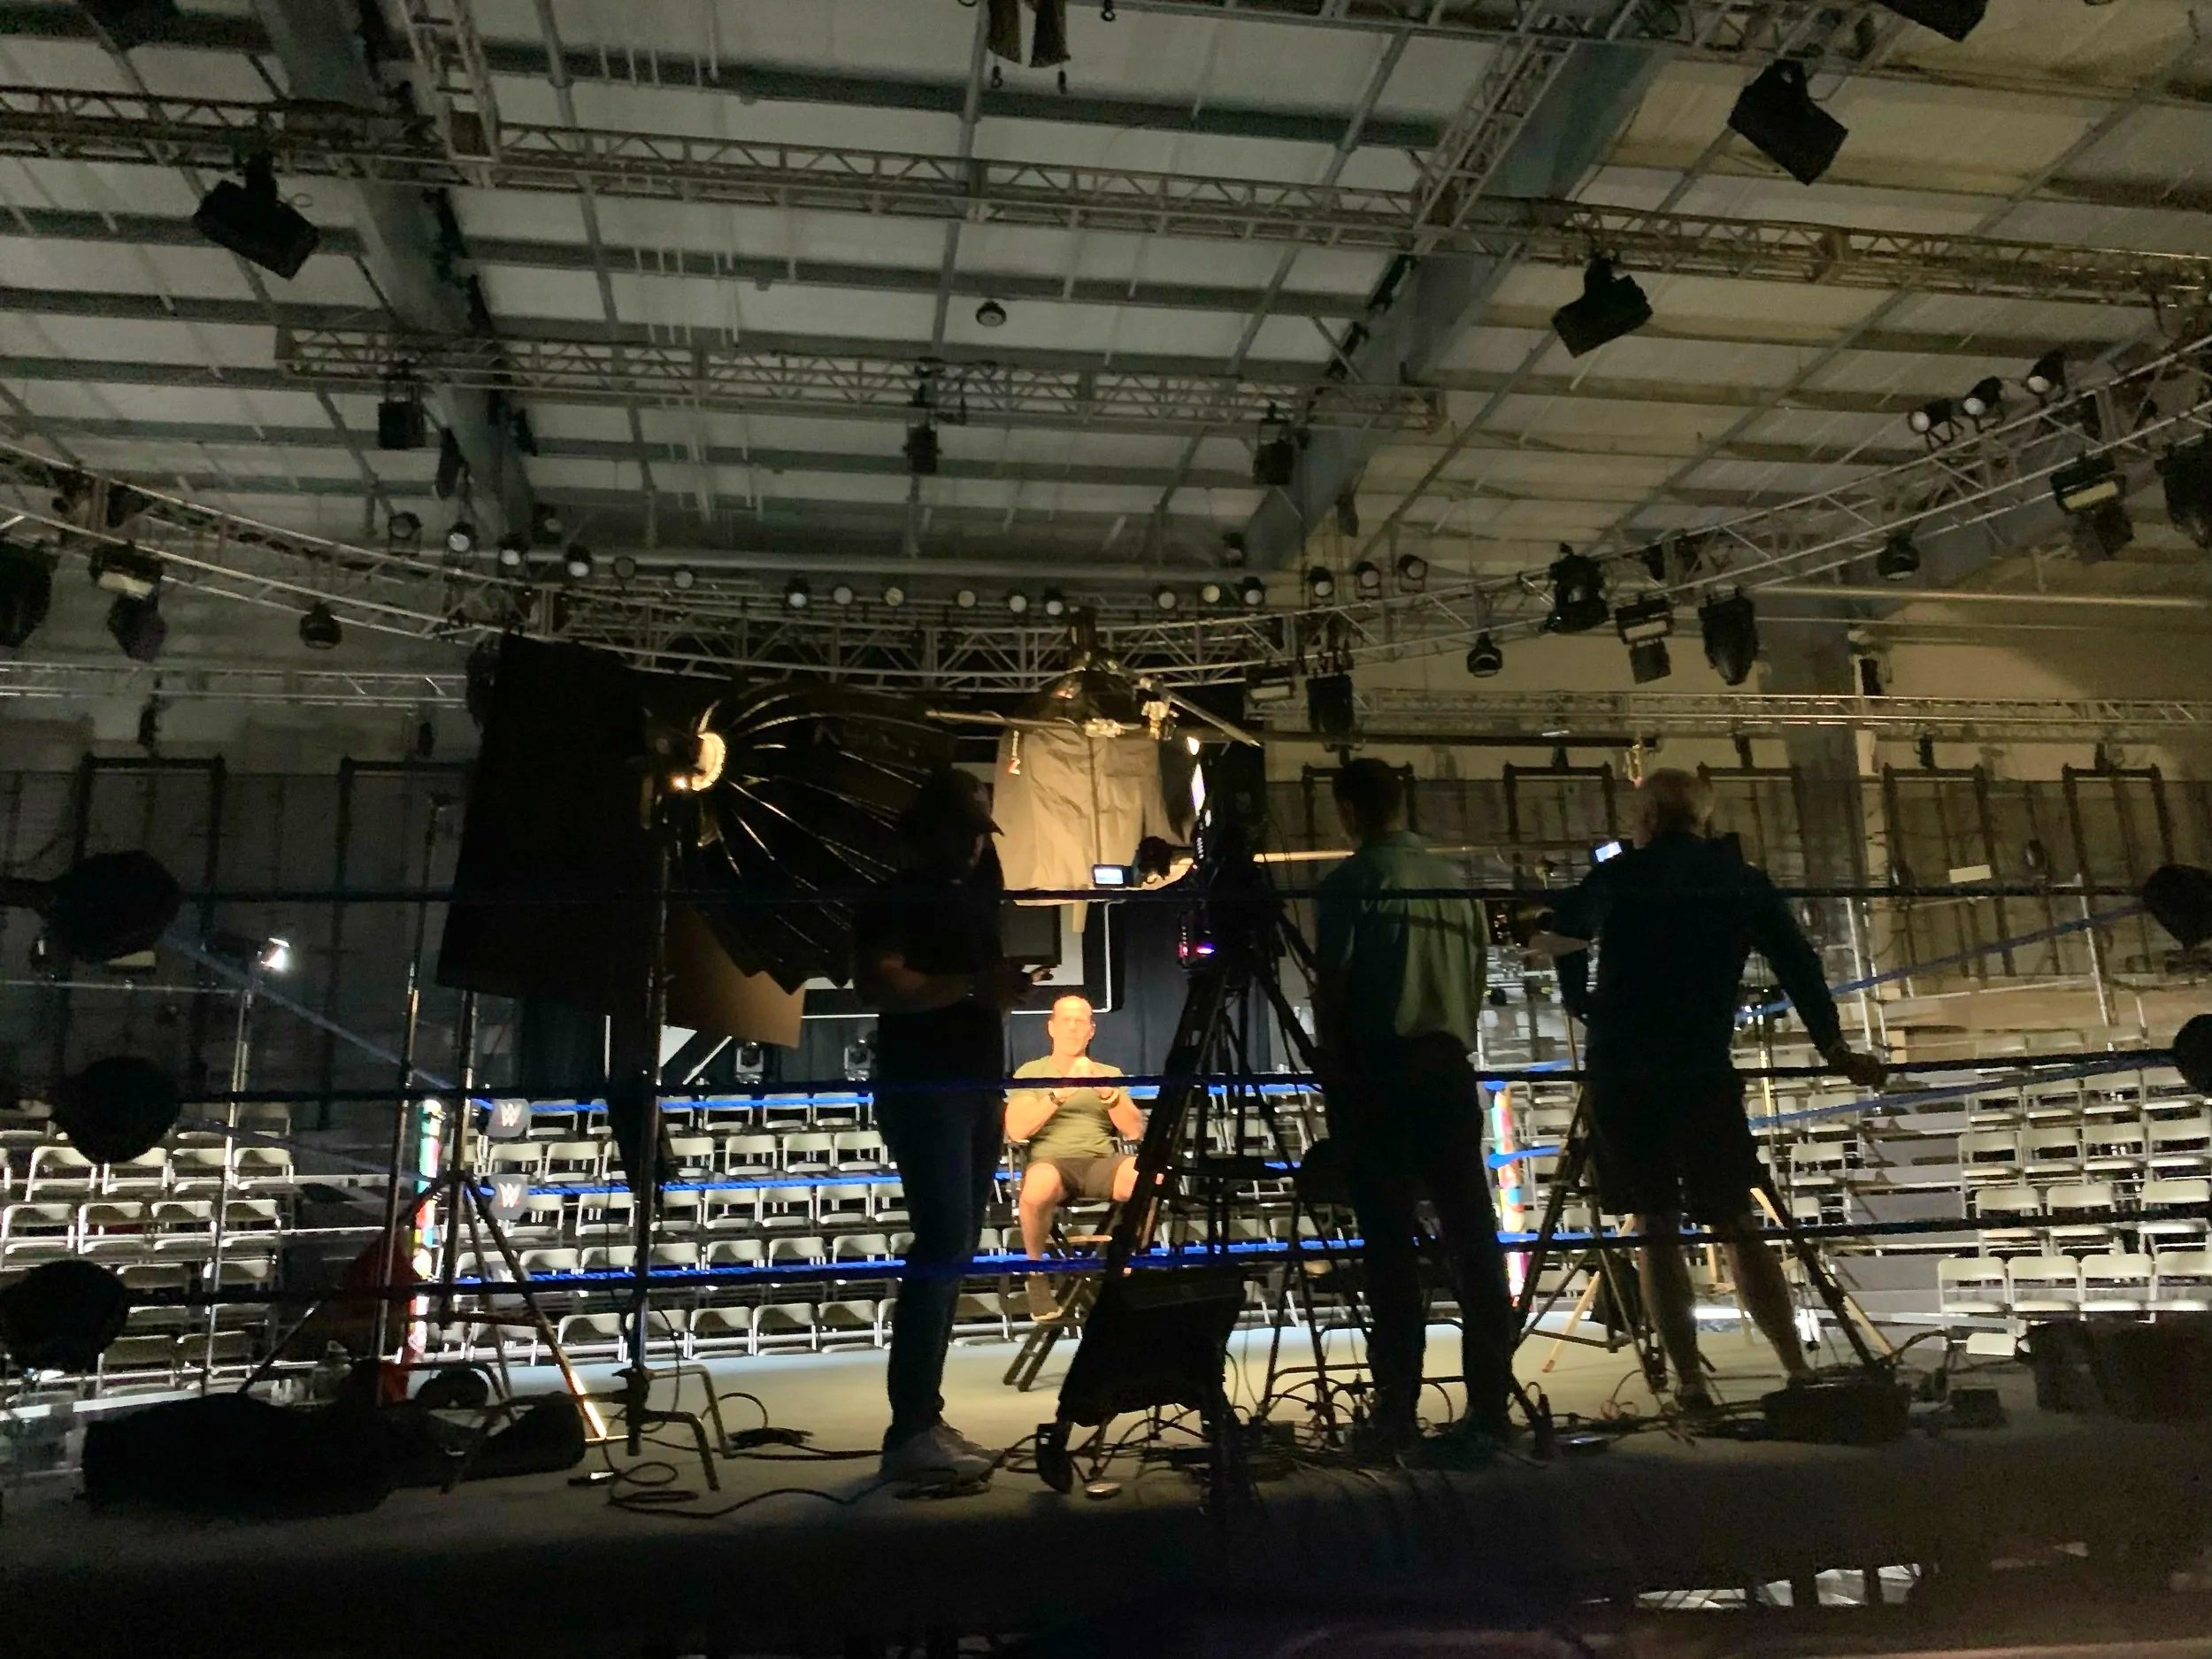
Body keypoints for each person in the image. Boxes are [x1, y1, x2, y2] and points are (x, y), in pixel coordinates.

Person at [1549, 768, 1888, 1412]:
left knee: (1653, 1222)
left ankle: (1690, 1382)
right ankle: (1794, 1367)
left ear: (1645, 819)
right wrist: (1833, 1045)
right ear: (1704, 819)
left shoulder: (1620, 875)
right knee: (1735, 1216)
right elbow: (1799, 963)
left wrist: (1581, 1001)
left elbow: (1565, 931)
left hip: (1624, 1066)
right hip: (1701, 1064)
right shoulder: (1740, 880)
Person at [1312, 758, 1516, 1456]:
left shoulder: (1351, 883)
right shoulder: (1458, 887)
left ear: (1348, 809)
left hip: (1379, 1073)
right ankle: (1490, 1404)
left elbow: (1332, 990)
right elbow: (1477, 981)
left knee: (1390, 1250)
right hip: (1448, 1070)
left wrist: (1333, 1076)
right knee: (1472, 1240)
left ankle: (1396, 1409)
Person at [853, 768, 1035, 1482]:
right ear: (928, 832)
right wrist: (973, 988)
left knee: (951, 1244)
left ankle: (922, 1417)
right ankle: (911, 1426)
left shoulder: (969, 896)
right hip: (929, 1089)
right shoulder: (893, 897)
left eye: (977, 833)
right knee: (942, 1241)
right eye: (962, 831)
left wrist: (997, 989)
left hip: (973, 1085)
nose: (972, 845)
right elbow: (878, 983)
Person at [1005, 995, 1144, 1320]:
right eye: (1065, 1020)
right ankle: (1036, 1275)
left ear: (1091, 1031)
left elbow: (1134, 1131)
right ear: (1051, 1027)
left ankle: (1132, 1262)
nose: (1072, 1027)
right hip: (1052, 1162)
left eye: (1079, 1021)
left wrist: (1107, 1092)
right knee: (1037, 1187)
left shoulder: (1109, 1071)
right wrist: (1059, 1092)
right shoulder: (1032, 1071)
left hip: (1101, 1161)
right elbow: (1016, 1129)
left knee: (1151, 1177)